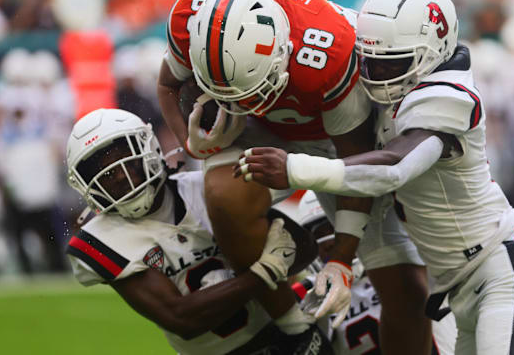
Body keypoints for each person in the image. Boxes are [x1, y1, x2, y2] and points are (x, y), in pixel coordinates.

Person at [237, 0, 514, 354]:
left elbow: (395, 167)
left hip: (504, 267)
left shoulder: (446, 95)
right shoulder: (401, 89)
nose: (376, 74)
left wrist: (295, 169)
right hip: (458, 284)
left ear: (431, 51)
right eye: (369, 61)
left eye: (391, 62)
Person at [157, 0, 433, 354]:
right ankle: (297, 332)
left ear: (283, 49)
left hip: (339, 135)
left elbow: (356, 164)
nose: (245, 104)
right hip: (258, 132)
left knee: (406, 287)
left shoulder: (329, 51)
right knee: (223, 194)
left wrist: (341, 261)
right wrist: (192, 144)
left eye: (253, 91)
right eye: (231, 95)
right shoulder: (192, 17)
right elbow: (168, 85)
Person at [64, 108, 331, 354]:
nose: (120, 175)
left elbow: (303, 248)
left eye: (125, 160)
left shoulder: (209, 190)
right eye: (105, 173)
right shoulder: (101, 240)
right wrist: (265, 271)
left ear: (148, 147)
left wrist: (269, 264)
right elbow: (181, 319)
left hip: (284, 335)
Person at [292, 191, 457, 355]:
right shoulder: (307, 294)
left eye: (334, 228)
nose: (328, 242)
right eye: (318, 234)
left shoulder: (409, 259)